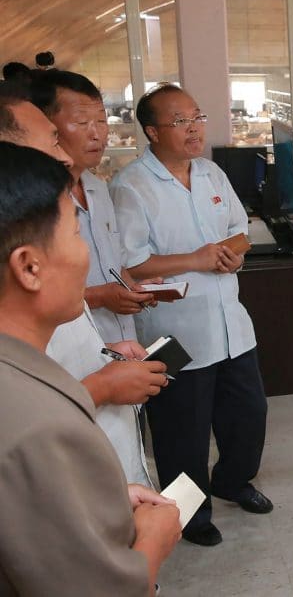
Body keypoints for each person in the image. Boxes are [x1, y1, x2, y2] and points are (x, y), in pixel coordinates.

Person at [0, 141, 180, 595]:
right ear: (29, 267)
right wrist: (153, 540)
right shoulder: (39, 425)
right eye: (75, 235)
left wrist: (101, 504)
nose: (86, 257)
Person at [110, 83, 271, 547]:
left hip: (230, 325)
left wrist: (234, 255)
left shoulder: (211, 173)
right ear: (152, 131)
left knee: (249, 414)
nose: (195, 128)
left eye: (197, 117)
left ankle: (232, 480)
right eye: (180, 121)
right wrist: (196, 260)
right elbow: (130, 263)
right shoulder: (131, 186)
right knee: (182, 431)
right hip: (172, 332)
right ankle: (189, 515)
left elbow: (239, 228)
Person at [0, 82, 168, 485]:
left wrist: (102, 356)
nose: (62, 155)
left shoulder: (91, 189)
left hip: (102, 463)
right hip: (68, 484)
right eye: (53, 140)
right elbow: (22, 424)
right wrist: (101, 386)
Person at [30, 69, 154, 342]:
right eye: (82, 122)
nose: (97, 134)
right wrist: (99, 297)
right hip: (69, 348)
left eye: (101, 120)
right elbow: (23, 298)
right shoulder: (31, 202)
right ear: (45, 127)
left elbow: (114, 263)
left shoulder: (98, 188)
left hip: (122, 343)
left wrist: (133, 289)